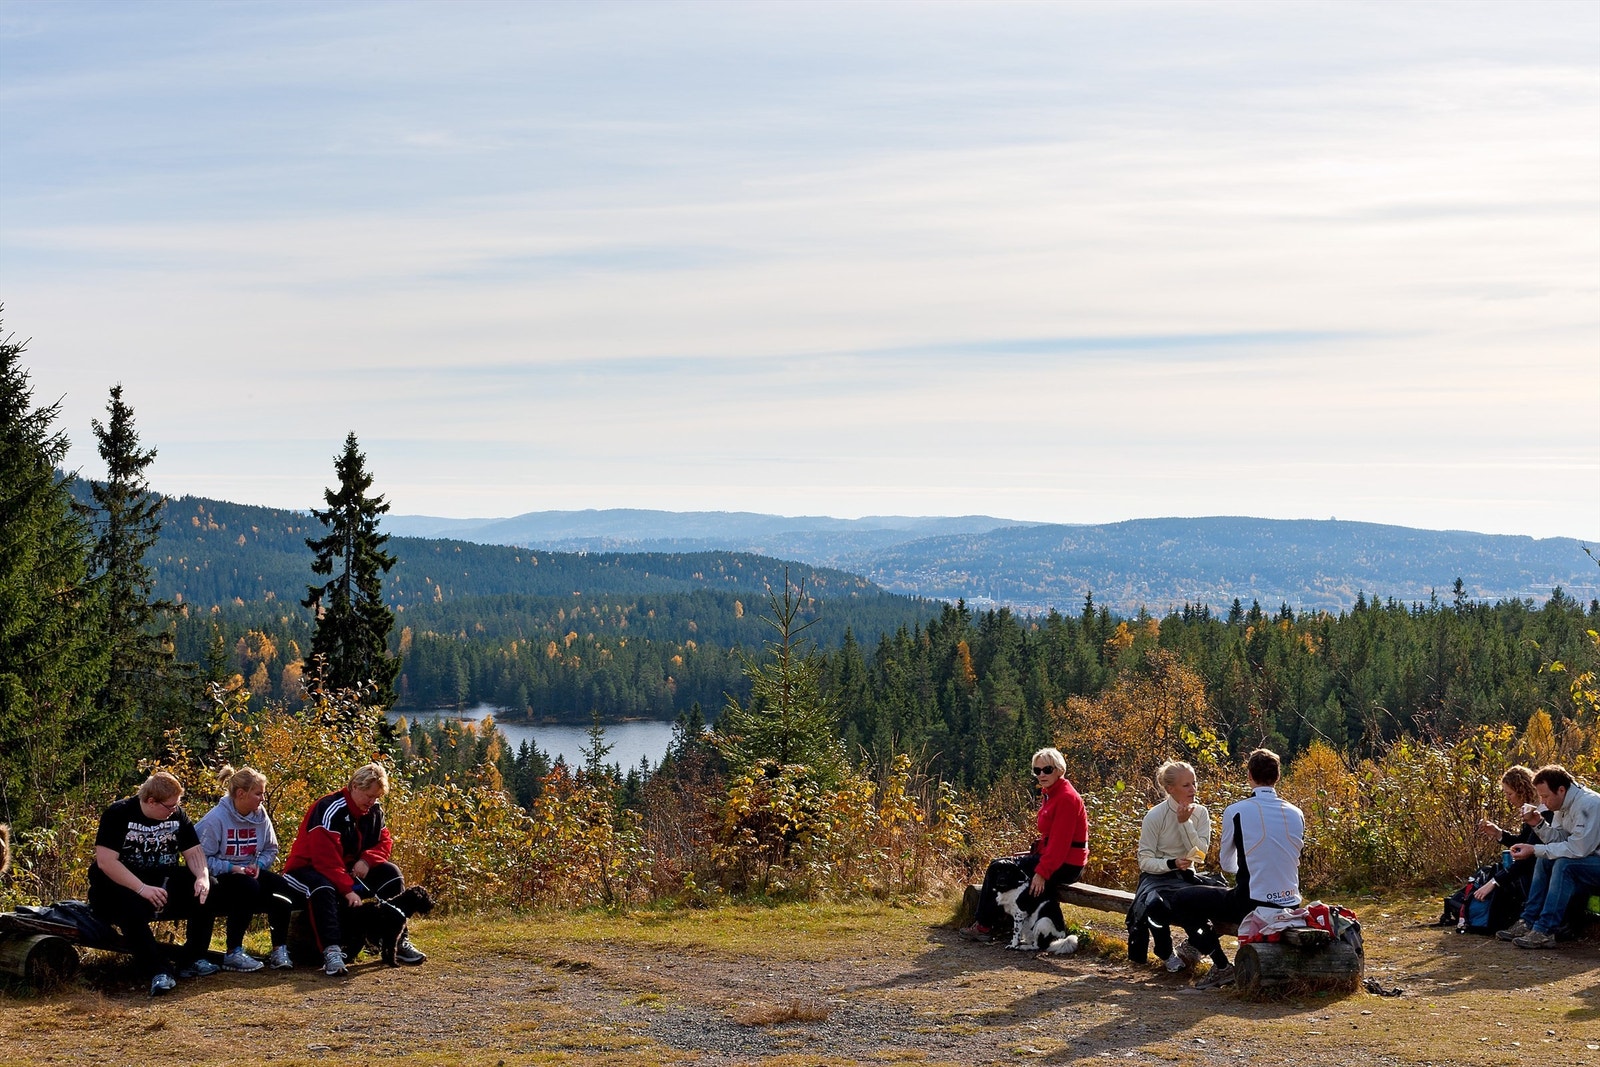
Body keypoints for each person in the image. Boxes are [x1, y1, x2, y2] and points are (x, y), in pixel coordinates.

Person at [1145, 748, 1303, 989]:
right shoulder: (1296, 813)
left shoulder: (1237, 811)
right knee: (1211, 893)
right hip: (1291, 901)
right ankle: (1194, 947)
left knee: (1182, 900)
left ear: (1249, 775)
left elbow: (1228, 864)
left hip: (1251, 901)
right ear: (1278, 777)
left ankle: (1220, 966)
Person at [282, 763, 426, 974]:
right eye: (369, 795)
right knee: (323, 888)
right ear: (354, 787)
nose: (372, 801)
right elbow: (324, 859)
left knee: (391, 875)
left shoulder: (374, 811)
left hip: (347, 870)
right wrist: (348, 889)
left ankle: (396, 941)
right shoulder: (329, 808)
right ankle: (331, 951)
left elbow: (385, 842)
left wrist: (367, 861)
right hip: (306, 869)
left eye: (376, 797)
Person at [88, 772, 215, 996]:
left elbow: (194, 852)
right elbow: (106, 862)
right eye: (170, 806)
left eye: (177, 805)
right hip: (121, 885)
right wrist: (142, 889)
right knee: (131, 910)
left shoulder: (176, 815)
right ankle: (158, 970)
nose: (174, 810)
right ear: (150, 801)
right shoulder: (118, 813)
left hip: (162, 880)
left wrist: (202, 877)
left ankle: (192, 959)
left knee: (209, 888)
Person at [959, 747, 1088, 941]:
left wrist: (1042, 873)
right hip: (1054, 858)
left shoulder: (1066, 798)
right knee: (1000, 864)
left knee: (997, 867)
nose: (1041, 775)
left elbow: (1060, 845)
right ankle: (996, 923)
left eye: (1047, 770)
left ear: (1060, 770)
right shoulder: (1052, 793)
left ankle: (984, 926)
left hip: (1066, 864)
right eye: (1037, 771)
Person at [193, 766, 296, 971]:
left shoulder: (260, 815)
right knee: (247, 887)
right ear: (241, 794)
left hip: (248, 872)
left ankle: (279, 948)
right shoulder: (214, 820)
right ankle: (233, 951)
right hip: (221, 876)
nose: (262, 799)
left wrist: (258, 865)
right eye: (258, 794)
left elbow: (270, 848)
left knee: (281, 887)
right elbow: (200, 859)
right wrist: (232, 868)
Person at [1495, 764, 1600, 948]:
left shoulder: (1589, 805)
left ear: (1561, 790)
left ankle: (1545, 930)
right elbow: (1559, 838)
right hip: (1589, 859)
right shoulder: (1563, 803)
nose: (1543, 802)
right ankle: (1528, 922)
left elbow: (1577, 849)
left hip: (1593, 860)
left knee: (1564, 865)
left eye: (1545, 796)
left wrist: (1534, 849)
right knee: (1545, 860)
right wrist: (1538, 824)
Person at [1128, 760, 1212, 971]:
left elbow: (1200, 854)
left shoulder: (1201, 814)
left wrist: (1185, 823)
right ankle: (1165, 952)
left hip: (1186, 877)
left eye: (1194, 783)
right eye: (1186, 785)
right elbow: (1144, 860)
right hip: (1156, 878)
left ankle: (1196, 947)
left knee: (1220, 901)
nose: (1193, 789)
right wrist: (1171, 863)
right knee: (1155, 905)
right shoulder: (1155, 816)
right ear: (1170, 789)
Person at [1469, 765, 1539, 909]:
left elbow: (1527, 856)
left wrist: (1494, 882)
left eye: (1510, 794)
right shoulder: (1529, 810)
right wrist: (1498, 833)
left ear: (1522, 791)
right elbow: (1524, 843)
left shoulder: (1539, 813)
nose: (1508, 799)